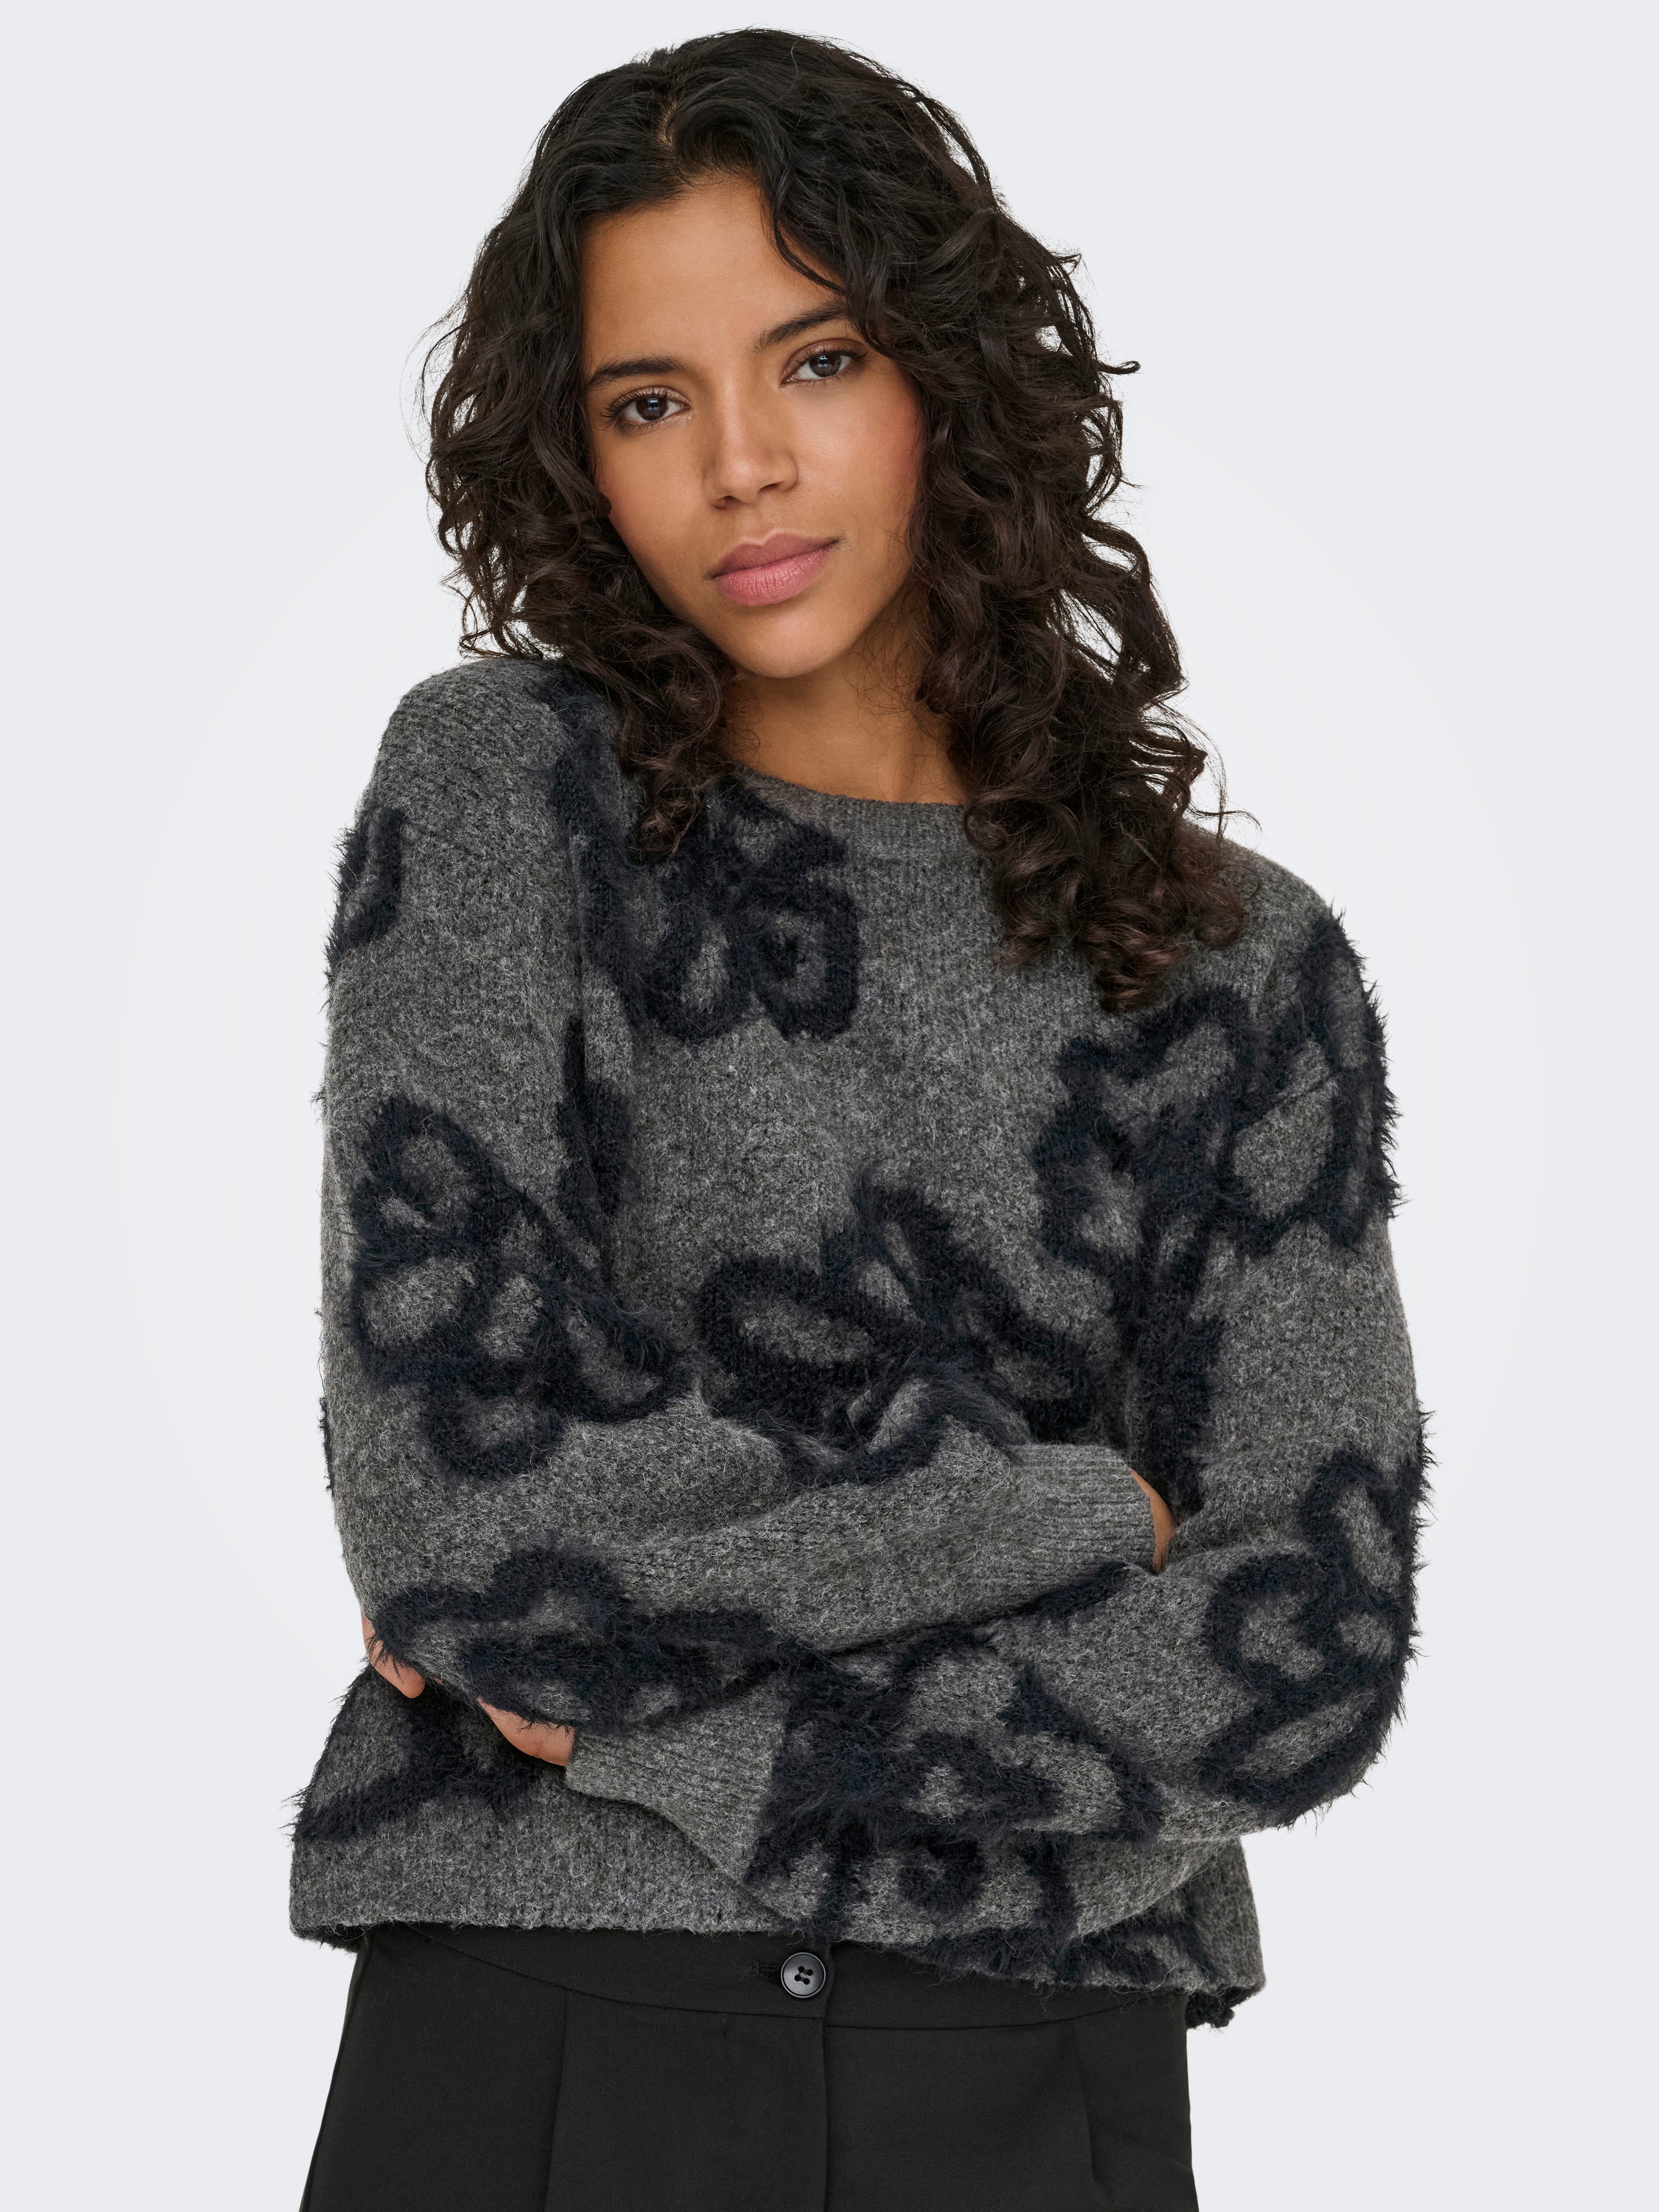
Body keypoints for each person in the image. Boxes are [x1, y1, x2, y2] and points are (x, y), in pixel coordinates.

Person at [293, 29, 1423, 2210]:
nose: (740, 464)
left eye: (815, 361)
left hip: (1030, 2065)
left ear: (946, 378)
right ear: (578, 459)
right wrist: (1076, 1518)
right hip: (543, 2017)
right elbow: (457, 1498)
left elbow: (1302, 1642)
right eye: (648, 401)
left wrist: (671, 1726)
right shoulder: (505, 801)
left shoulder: (1235, 967)